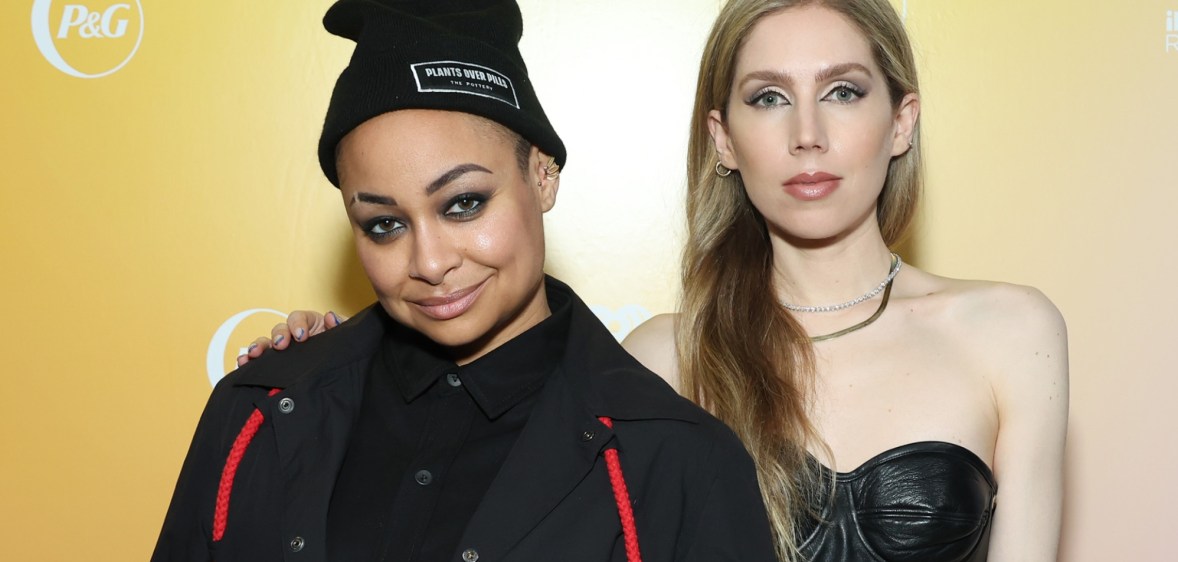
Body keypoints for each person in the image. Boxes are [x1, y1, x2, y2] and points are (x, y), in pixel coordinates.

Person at [254, 0, 1069, 560]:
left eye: (844, 92)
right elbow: (472, 459)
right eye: (768, 98)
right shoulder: (657, 361)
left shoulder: (1010, 332)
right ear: (722, 138)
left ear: (901, 121)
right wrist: (330, 369)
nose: (808, 135)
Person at [152, 1, 777, 561]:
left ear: (542, 175)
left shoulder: (678, 461)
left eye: (463, 204)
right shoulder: (259, 411)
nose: (428, 261)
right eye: (383, 224)